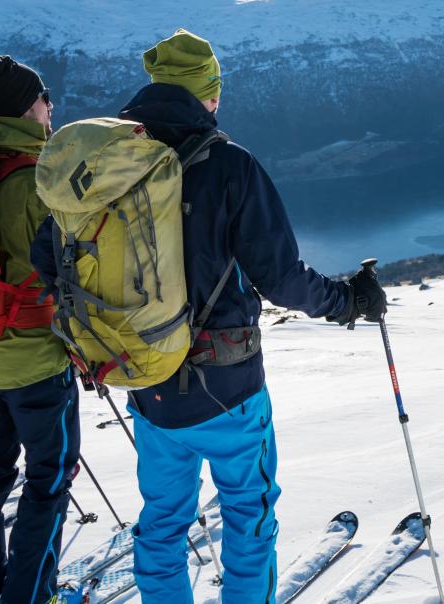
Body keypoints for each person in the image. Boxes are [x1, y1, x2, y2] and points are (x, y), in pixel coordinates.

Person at [110, 29, 387, 603]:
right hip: (227, 386)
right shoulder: (229, 165)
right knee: (248, 513)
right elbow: (283, 277)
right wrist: (349, 302)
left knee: (161, 519)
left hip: (145, 378)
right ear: (207, 93)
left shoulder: (110, 162)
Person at [0, 54, 81, 604]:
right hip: (35, 360)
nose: (51, 110)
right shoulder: (36, 182)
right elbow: (69, 272)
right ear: (31, 108)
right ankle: (30, 595)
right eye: (46, 100)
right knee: (48, 478)